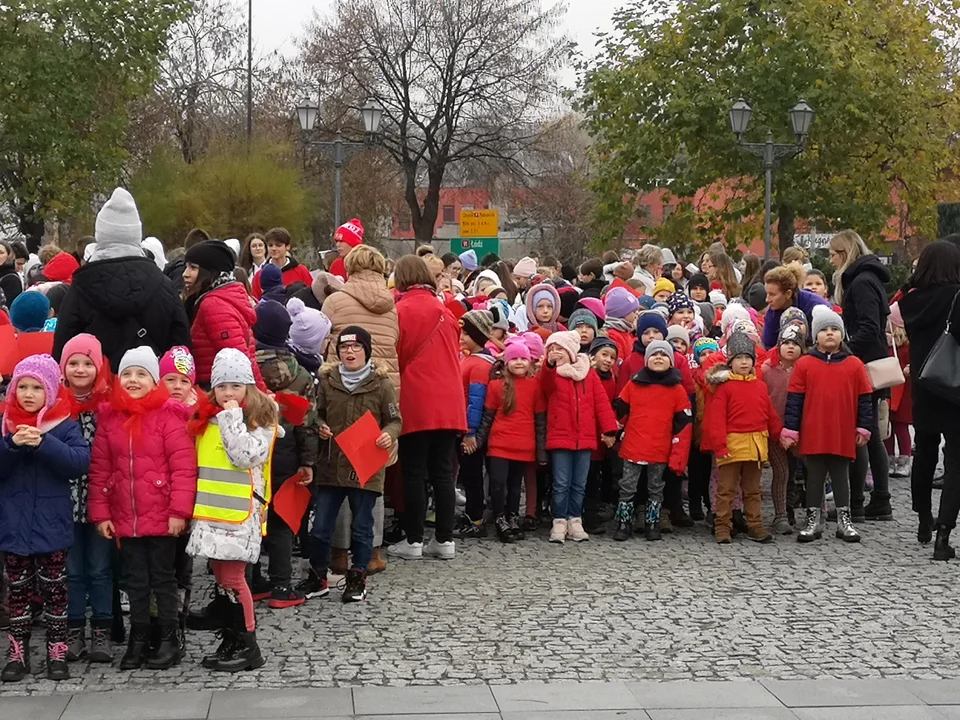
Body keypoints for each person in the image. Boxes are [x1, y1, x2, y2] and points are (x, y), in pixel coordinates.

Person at [88, 347, 198, 671]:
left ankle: (168, 638)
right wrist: (102, 513)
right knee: (135, 579)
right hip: (126, 514)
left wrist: (179, 512)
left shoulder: (169, 415)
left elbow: (183, 468)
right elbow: (100, 468)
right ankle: (139, 635)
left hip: (162, 515)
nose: (133, 380)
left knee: (163, 578)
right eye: (127, 374)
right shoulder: (110, 417)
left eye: (141, 374)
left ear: (154, 381)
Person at [185, 349, 277, 672]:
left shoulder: (261, 422)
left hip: (241, 512)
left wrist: (231, 418)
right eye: (222, 386)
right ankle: (229, 634)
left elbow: (243, 455)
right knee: (222, 577)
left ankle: (248, 643)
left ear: (249, 388)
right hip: (213, 511)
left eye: (235, 386)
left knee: (236, 578)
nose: (228, 394)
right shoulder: (209, 418)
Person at [0, 355, 91, 682]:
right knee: (19, 592)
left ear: (50, 391)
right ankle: (17, 652)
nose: (28, 393)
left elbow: (79, 462)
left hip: (51, 525)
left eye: (36, 387)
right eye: (22, 386)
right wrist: (10, 445)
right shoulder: (4, 424)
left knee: (55, 591)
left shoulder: (64, 425)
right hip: (13, 526)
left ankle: (57, 651)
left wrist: (44, 443)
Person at [299, 327, 402, 602]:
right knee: (320, 528)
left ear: (366, 351)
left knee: (362, 528)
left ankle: (357, 578)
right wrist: (320, 426)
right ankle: (318, 577)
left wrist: (387, 435)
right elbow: (317, 415)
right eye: (345, 348)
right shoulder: (328, 381)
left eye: (356, 347)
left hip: (365, 467)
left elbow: (395, 420)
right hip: (332, 464)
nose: (350, 352)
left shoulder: (381, 384)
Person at [320, 245, 399, 568]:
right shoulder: (392, 306)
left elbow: (323, 343)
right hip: (383, 390)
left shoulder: (335, 301)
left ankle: (338, 552)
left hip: (341, 390)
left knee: (339, 471)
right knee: (372, 472)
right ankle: (373, 552)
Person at [53, 188, 191, 373]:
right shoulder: (164, 286)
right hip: (152, 391)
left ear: (100, 234)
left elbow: (63, 348)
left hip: (95, 392)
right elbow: (181, 348)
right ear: (136, 234)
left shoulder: (81, 287)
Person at [388, 255, 466, 561]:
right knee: (444, 473)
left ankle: (414, 539)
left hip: (417, 399)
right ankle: (445, 540)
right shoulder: (445, 310)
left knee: (414, 472)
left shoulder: (400, 311)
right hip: (449, 402)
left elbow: (399, 355)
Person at [782, 306, 872, 543]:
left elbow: (864, 399)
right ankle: (814, 520)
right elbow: (795, 400)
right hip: (814, 429)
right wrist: (791, 428)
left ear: (842, 334)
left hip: (842, 430)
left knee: (842, 476)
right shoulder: (804, 365)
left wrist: (864, 426)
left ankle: (844, 520)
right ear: (815, 336)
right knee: (815, 477)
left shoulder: (855, 365)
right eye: (824, 330)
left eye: (834, 329)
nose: (829, 333)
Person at [252, 301, 319, 608]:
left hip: (249, 450)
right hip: (286, 451)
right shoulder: (301, 373)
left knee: (251, 518)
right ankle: (281, 587)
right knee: (280, 521)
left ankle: (252, 582)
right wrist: (307, 462)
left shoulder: (245, 367)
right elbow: (308, 424)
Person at [899, 240, 960, 554]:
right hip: (954, 383)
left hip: (924, 382)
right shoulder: (956, 297)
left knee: (924, 451)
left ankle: (924, 517)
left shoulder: (912, 301)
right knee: (956, 460)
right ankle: (944, 535)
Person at [830, 230, 892, 522]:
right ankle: (877, 498)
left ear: (844, 253)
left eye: (833, 254)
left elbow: (868, 326)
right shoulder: (868, 277)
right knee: (872, 434)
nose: (830, 261)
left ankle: (861, 501)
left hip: (864, 363)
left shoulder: (862, 281)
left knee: (865, 433)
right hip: (870, 359)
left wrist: (847, 352)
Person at [60, 335, 114, 664]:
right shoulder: (55, 406)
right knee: (73, 570)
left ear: (98, 367)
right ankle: (74, 629)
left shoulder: (107, 406)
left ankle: (102, 630)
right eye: (74, 363)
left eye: (87, 363)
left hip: (98, 501)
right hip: (64, 503)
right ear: (63, 368)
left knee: (100, 568)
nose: (81, 369)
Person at [702, 332, 780, 544]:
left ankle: (755, 525)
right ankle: (723, 526)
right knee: (726, 490)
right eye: (739, 358)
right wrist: (719, 445)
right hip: (732, 445)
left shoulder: (760, 386)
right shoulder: (724, 388)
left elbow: (769, 414)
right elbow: (716, 419)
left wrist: (779, 434)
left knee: (753, 490)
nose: (744, 362)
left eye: (747, 358)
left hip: (755, 445)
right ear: (730, 362)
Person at [541, 330, 618, 544]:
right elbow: (544, 385)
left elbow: (601, 402)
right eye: (552, 349)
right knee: (561, 482)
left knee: (579, 483)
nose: (556, 353)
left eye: (560, 349)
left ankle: (575, 519)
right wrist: (548, 365)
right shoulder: (552, 373)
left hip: (584, 437)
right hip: (560, 436)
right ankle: (559, 519)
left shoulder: (588, 374)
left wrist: (609, 429)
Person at [612, 340, 692, 541]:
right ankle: (624, 522)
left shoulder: (677, 389)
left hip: (660, 447)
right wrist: (614, 433)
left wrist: (678, 451)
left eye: (664, 355)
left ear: (671, 362)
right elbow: (621, 411)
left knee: (656, 487)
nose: (658, 358)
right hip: (633, 446)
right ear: (646, 360)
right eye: (654, 354)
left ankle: (652, 522)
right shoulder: (634, 384)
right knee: (627, 486)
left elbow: (683, 422)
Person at [476, 338, 546, 543]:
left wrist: (541, 451)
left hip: (524, 445)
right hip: (499, 444)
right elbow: (488, 417)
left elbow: (540, 421)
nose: (519, 362)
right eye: (514, 358)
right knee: (498, 484)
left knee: (516, 485)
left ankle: (512, 516)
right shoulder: (497, 386)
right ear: (506, 362)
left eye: (523, 358)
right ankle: (500, 517)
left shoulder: (535, 386)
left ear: (530, 362)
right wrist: (479, 440)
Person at [183, 240, 263, 389]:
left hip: (218, 388)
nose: (185, 274)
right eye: (186, 267)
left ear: (211, 272)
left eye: (193, 268)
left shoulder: (214, 306)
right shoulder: (211, 298)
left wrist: (261, 393)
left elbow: (239, 358)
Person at [760, 321, 807, 535]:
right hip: (774, 430)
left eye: (795, 343)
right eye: (786, 342)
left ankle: (796, 509)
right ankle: (780, 515)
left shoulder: (806, 369)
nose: (790, 347)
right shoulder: (767, 370)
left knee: (799, 470)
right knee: (781, 471)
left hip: (799, 429)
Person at [456, 310, 498, 539]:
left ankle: (476, 518)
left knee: (472, 475)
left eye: (466, 333)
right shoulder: (469, 358)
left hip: (469, 430)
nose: (461, 337)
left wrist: (470, 432)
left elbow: (476, 401)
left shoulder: (479, 365)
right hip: (463, 427)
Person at [761, 264, 829, 350]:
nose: (767, 299)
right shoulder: (772, 313)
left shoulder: (816, 307)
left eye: (772, 294)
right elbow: (769, 348)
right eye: (767, 293)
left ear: (788, 294)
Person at [885, 302, 913, 479]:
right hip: (889, 388)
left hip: (903, 391)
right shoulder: (886, 343)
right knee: (887, 428)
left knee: (901, 427)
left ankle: (904, 459)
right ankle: (888, 460)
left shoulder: (907, 345)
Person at [250, 228, 314, 299]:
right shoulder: (260, 275)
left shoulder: (301, 271)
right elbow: (255, 303)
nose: (274, 248)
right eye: (270, 245)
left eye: (278, 245)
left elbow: (311, 296)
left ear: (287, 246)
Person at [602, 287, 641, 364]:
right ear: (622, 314)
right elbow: (619, 362)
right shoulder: (612, 335)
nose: (637, 314)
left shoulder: (627, 331)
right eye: (633, 311)